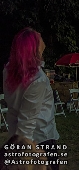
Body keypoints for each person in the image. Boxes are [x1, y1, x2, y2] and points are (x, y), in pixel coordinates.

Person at [2, 28, 60, 170]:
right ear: (34, 48)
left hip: (17, 139)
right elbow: (26, 124)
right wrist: (25, 156)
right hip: (38, 142)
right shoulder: (38, 80)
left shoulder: (8, 70)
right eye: (36, 36)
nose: (39, 33)